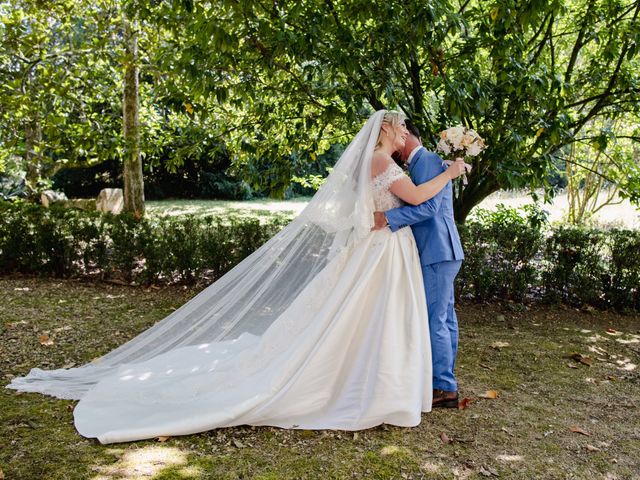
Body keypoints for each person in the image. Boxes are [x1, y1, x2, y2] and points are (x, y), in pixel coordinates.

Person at [7, 110, 466, 444]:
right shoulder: (384, 165)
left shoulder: (378, 164)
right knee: (371, 315)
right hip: (382, 253)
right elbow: (420, 194)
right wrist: (449, 172)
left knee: (363, 316)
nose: (405, 132)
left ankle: (378, 376)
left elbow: (384, 208)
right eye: (401, 126)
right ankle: (374, 383)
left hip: (380, 248)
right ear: (386, 129)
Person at [373, 119, 464, 408]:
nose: (399, 144)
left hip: (436, 249)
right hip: (446, 249)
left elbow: (429, 206)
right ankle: (445, 381)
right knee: (445, 317)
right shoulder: (426, 163)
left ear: (410, 135)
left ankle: (444, 387)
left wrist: (390, 217)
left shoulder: (424, 160)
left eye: (402, 132)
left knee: (435, 319)